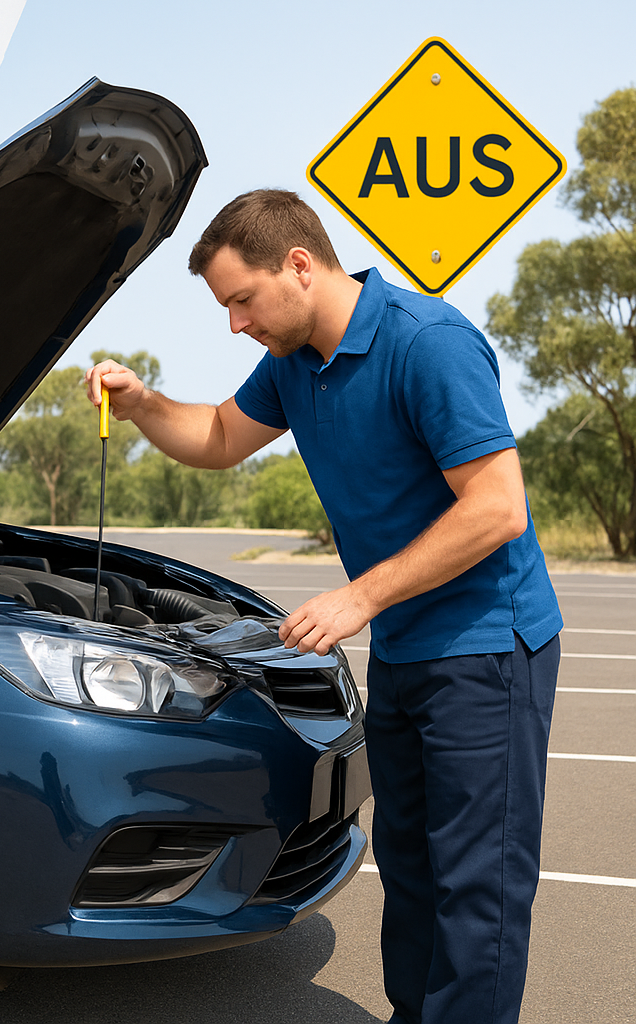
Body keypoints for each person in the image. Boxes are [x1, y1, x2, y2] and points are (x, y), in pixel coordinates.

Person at [85, 189, 561, 1024]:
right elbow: (221, 438)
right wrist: (142, 404)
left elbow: (497, 508)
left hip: (489, 649)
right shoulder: (294, 361)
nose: (236, 324)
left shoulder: (428, 345)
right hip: (412, 649)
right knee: (411, 871)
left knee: (475, 888)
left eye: (241, 300)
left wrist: (359, 597)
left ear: (298, 265)